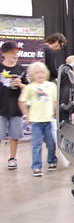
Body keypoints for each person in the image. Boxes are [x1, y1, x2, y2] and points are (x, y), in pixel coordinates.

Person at [18, 62, 57, 177]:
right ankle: (36, 167)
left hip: (49, 120)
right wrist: (27, 115)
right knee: (36, 145)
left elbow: (55, 101)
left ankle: (52, 160)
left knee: (51, 143)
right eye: (36, 73)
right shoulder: (29, 88)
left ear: (46, 73)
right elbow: (21, 102)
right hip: (36, 121)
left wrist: (55, 112)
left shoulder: (51, 86)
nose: (39, 74)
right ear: (32, 75)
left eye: (42, 72)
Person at [0, 42, 27, 170]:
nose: (15, 55)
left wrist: (20, 84)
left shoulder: (21, 69)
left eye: (17, 52)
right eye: (12, 52)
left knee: (14, 135)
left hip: (16, 108)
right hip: (1, 107)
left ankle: (12, 158)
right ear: (4, 54)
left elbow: (28, 88)